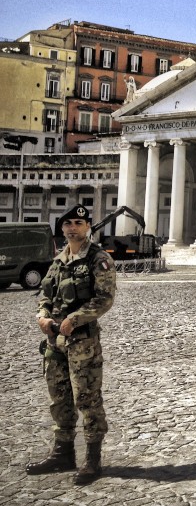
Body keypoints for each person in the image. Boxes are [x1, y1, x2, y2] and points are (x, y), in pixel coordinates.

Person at [26, 204, 116, 485]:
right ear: (62, 228)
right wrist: (42, 316)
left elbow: (104, 298)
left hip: (82, 341)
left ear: (88, 226)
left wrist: (76, 318)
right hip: (55, 341)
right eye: (68, 223)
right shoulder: (59, 260)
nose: (73, 227)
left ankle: (92, 459)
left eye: (78, 222)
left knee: (87, 399)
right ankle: (62, 454)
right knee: (59, 398)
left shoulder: (98, 259)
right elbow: (45, 294)